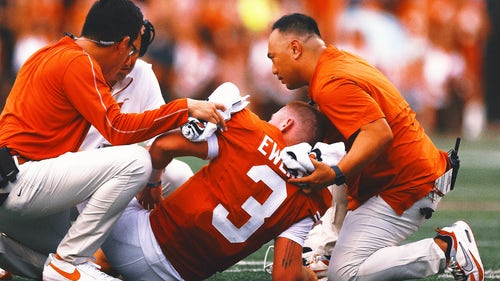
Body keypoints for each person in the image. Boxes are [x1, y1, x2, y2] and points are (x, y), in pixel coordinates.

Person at [0, 1, 226, 281]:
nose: (131, 61)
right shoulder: (78, 61)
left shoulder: (49, 52)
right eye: (132, 50)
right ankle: (70, 262)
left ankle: (40, 260)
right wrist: (184, 108)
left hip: (17, 188)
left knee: (53, 258)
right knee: (136, 161)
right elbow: (117, 129)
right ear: (123, 44)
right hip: (24, 182)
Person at [267, 13, 484, 281]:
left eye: (273, 58)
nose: (273, 68)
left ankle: (447, 249)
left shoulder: (330, 82)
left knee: (344, 275)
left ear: (295, 48)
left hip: (405, 183)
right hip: (403, 172)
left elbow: (379, 134)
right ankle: (327, 249)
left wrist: (333, 173)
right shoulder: (336, 61)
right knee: (330, 158)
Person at [99, 97, 333, 281]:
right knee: (180, 177)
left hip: (132, 240)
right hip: (176, 277)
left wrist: (152, 183)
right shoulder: (311, 194)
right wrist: (307, 276)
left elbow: (162, 146)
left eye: (273, 117)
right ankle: (105, 263)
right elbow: (285, 276)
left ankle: (78, 262)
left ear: (286, 123)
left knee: (107, 157)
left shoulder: (251, 130)